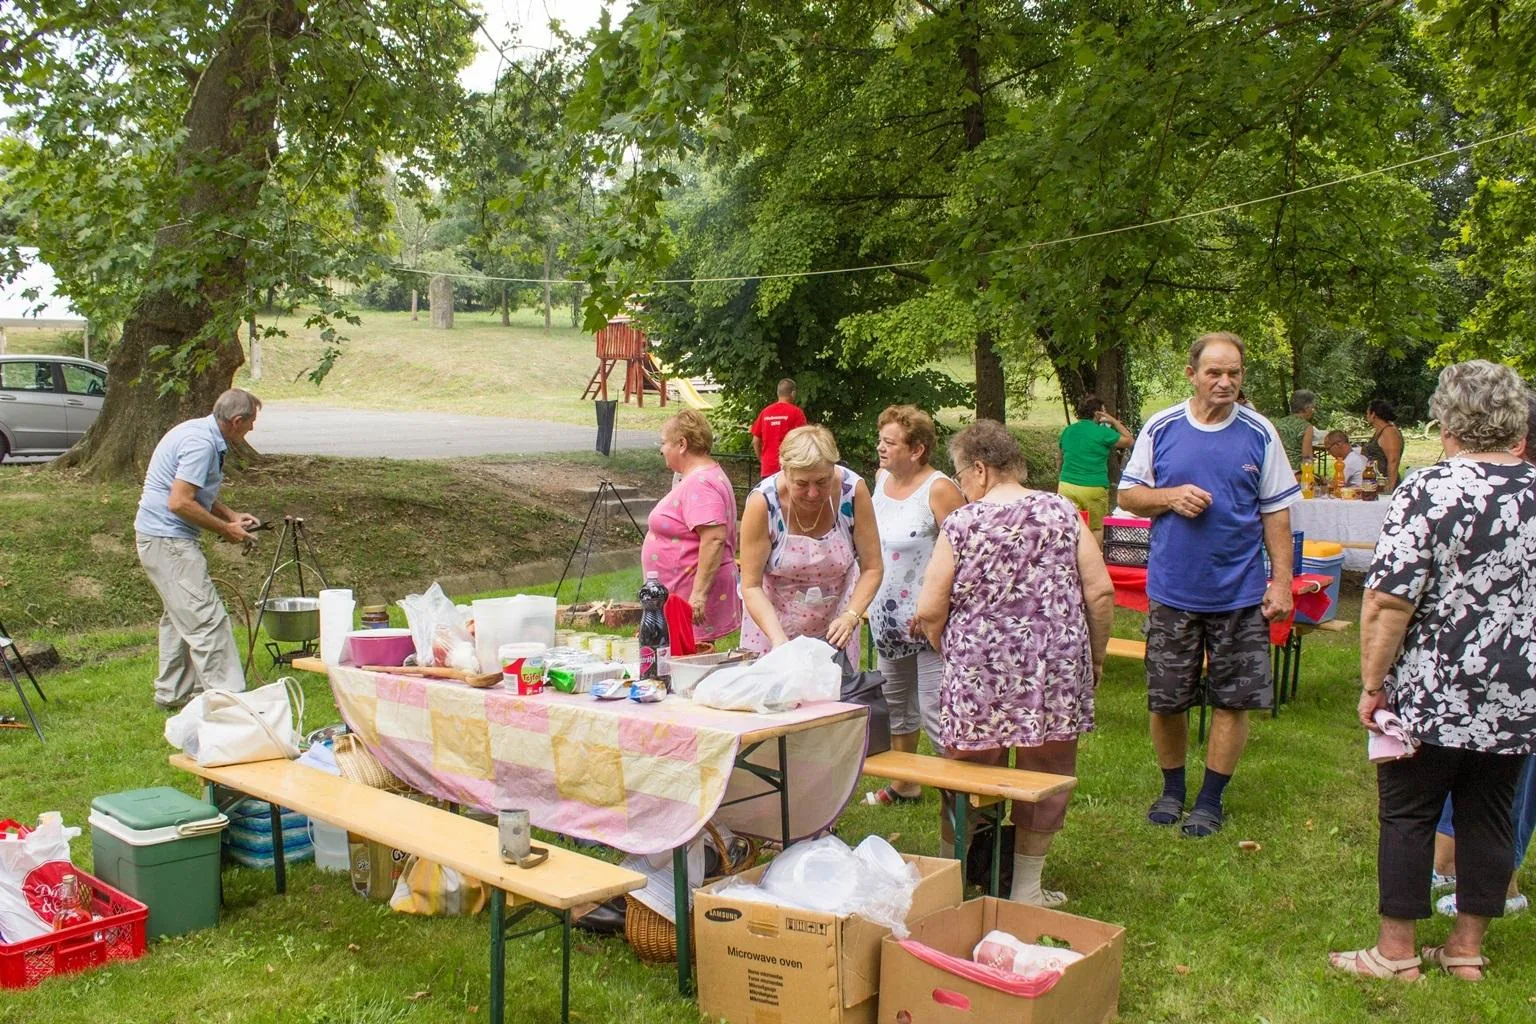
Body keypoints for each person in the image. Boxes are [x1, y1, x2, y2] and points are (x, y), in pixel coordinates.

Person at [1330, 360, 1536, 982]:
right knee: (1491, 814)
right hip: (1518, 689)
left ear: (1447, 423)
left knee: (1409, 813)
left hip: (1432, 687)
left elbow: (1387, 601)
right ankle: (1465, 949)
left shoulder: (1428, 489)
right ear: (1517, 424)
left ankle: (1395, 952)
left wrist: (1373, 685)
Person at [914, 420, 1115, 905]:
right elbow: (1101, 593)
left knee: (965, 774)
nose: (962, 486)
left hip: (979, 672)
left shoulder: (962, 523)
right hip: (1053, 671)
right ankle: (1027, 889)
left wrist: (951, 650)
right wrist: (1094, 657)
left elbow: (929, 609)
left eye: (961, 475)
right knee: (1046, 774)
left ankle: (950, 882)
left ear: (980, 469)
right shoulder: (1063, 511)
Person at [1118, 332, 1299, 838]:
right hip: (1173, 591)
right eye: (1214, 372)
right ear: (1191, 374)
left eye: (1234, 373)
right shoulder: (1162, 426)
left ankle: (1210, 799)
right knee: (1166, 699)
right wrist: (1170, 496)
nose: (1225, 382)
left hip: (1239, 593)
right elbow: (1128, 496)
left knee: (1232, 701)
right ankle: (1172, 789)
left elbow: (1277, 513)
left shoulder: (1260, 432)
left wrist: (1281, 582)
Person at [1427, 387, 1536, 921]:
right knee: (1475, 768)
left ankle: (1502, 885)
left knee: (1511, 781)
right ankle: (1451, 864)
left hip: (1519, 671)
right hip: (1485, 667)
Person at [134, 388, 262, 709]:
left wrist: (230, 515)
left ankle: (173, 693)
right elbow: (179, 502)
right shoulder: (201, 444)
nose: (252, 428)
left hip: (160, 537)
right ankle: (228, 700)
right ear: (237, 420)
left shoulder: (200, 432)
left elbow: (194, 491)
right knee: (207, 620)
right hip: (167, 541)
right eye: (251, 422)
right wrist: (225, 530)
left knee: (180, 617)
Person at [864, 405, 966, 806]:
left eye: (890, 442)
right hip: (886, 622)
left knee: (935, 710)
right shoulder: (880, 481)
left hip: (928, 625)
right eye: (881, 440)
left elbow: (962, 554)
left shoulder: (939, 490)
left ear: (917, 449)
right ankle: (905, 784)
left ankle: (957, 794)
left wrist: (935, 609)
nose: (881, 448)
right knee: (894, 705)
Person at [739, 424, 881, 664]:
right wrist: (779, 642)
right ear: (785, 471)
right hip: (773, 625)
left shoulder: (852, 492)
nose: (813, 493)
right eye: (802, 484)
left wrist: (851, 615)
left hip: (837, 623)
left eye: (822, 482)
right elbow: (751, 585)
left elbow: (873, 567)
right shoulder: (763, 503)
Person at [641, 410, 740, 642]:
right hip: (681, 590)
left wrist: (698, 595)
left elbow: (714, 538)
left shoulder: (700, 483)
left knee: (688, 656)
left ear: (682, 444)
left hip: (689, 594)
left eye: (665, 443)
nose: (662, 449)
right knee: (686, 655)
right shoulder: (702, 476)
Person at [1056, 395, 1133, 535]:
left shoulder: (1068, 431)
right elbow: (1129, 440)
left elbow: (1059, 459)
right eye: (1104, 411)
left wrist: (1062, 479)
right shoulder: (1103, 433)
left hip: (1066, 485)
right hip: (1093, 487)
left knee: (1069, 527)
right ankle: (1094, 550)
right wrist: (1113, 421)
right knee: (1096, 528)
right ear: (1098, 414)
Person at [749, 378, 807, 479]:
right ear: (793, 393)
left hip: (767, 468)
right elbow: (804, 441)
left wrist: (762, 460)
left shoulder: (765, 412)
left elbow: (755, 441)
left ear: (778, 393)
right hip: (788, 467)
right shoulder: (796, 413)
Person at [1363, 398, 1404, 491]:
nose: (1366, 416)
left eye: (1367, 413)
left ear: (1373, 414)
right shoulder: (1379, 431)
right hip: (1373, 484)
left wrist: (1389, 489)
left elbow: (1393, 461)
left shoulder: (1389, 432)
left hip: (1385, 484)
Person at [1274, 390, 1318, 474]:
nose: (1313, 411)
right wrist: (1311, 475)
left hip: (1279, 469)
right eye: (1312, 408)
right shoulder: (1307, 427)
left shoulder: (1278, 423)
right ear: (1306, 408)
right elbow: (1306, 456)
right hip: (1297, 472)